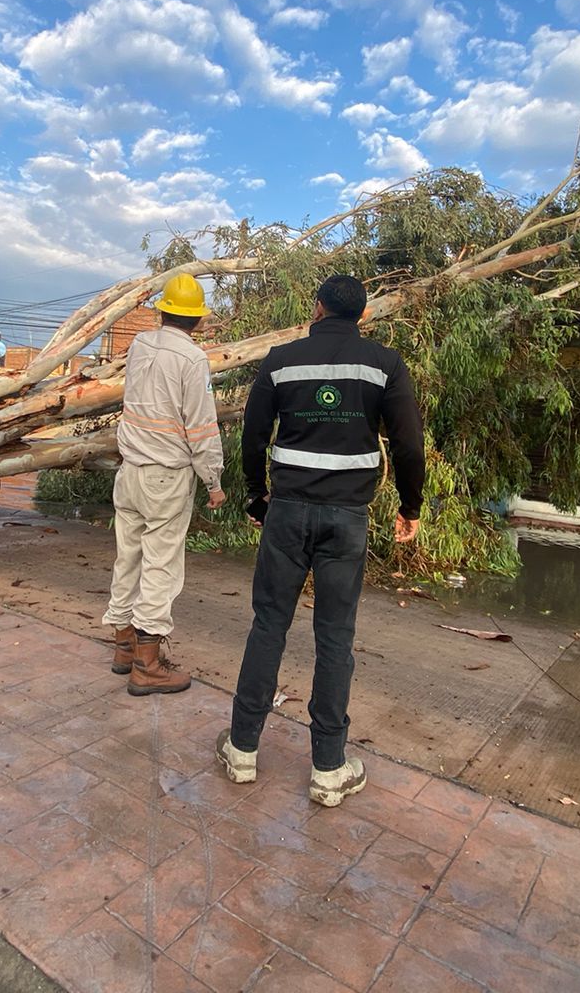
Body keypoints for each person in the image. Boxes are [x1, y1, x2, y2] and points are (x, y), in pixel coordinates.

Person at [217, 274, 426, 807]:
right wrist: (410, 507)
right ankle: (329, 768)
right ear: (363, 315)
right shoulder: (385, 364)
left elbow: (253, 436)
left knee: (269, 624)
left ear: (317, 308)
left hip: (287, 513)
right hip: (347, 518)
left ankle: (242, 749)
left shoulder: (281, 360)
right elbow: (408, 444)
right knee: (335, 637)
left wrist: (256, 497)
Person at [102, 272, 225, 695]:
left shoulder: (140, 345)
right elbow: (201, 426)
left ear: (163, 312)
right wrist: (213, 481)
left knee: (128, 558)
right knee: (161, 565)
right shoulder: (192, 360)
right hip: (165, 477)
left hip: (130, 471)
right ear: (199, 319)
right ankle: (147, 665)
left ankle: (123, 647)